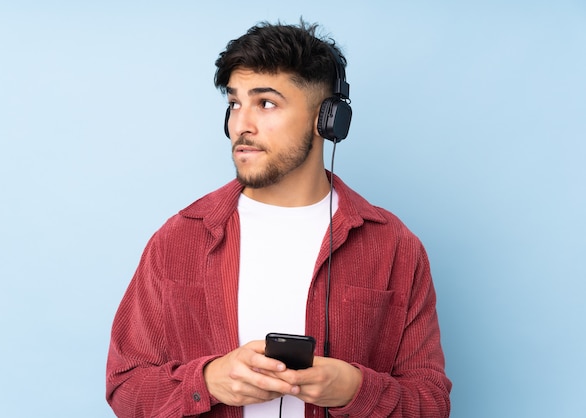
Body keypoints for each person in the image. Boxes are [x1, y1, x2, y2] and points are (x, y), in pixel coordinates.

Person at [106, 20, 451, 417]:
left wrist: (355, 389)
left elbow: (431, 403)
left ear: (328, 120)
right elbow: (125, 386)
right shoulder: (180, 238)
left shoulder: (393, 246)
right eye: (235, 103)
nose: (240, 125)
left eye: (265, 103)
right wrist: (207, 381)